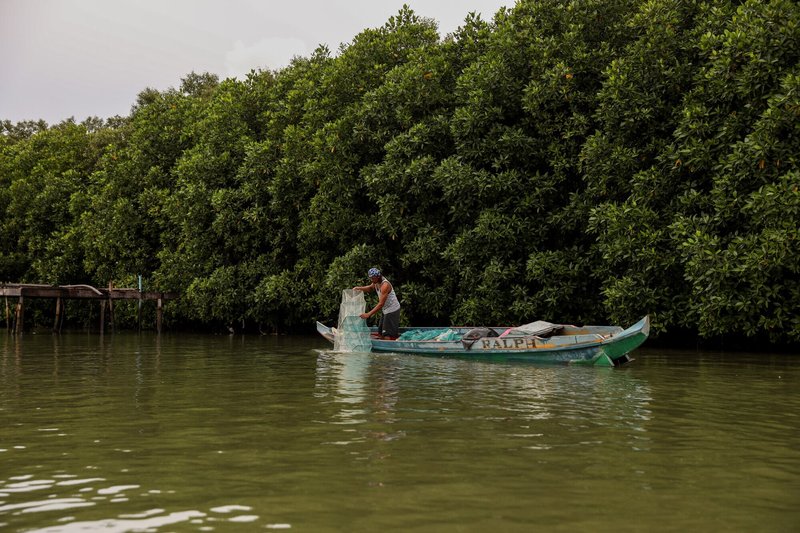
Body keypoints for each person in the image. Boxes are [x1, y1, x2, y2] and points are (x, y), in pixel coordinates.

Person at [353, 267, 401, 339]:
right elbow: (370, 288)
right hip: (385, 310)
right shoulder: (376, 282)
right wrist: (359, 288)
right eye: (371, 278)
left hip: (392, 310)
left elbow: (381, 304)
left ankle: (389, 345)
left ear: (378, 276)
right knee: (380, 333)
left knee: (387, 335)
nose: (371, 280)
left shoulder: (385, 285)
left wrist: (368, 314)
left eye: (373, 278)